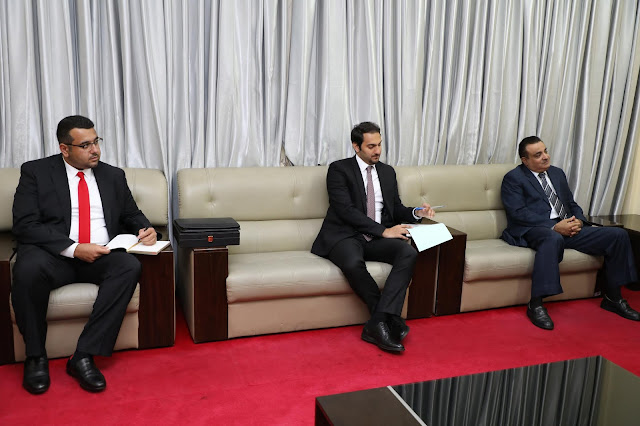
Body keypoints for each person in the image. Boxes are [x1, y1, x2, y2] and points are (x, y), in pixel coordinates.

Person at [12, 115, 158, 394]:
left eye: (96, 142)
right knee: (27, 269)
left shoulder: (113, 175)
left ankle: (83, 355)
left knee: (128, 266)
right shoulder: (36, 172)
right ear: (64, 149)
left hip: (101, 254)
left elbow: (131, 213)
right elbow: (25, 224)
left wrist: (145, 229)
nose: (95, 150)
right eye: (86, 145)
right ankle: (35, 356)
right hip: (55, 256)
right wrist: (74, 248)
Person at [311, 121, 435, 352]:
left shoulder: (387, 172)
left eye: (379, 145)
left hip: (375, 238)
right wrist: (384, 231)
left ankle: (377, 322)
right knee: (352, 262)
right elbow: (345, 210)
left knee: (407, 252)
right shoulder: (339, 170)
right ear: (356, 146)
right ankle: (388, 320)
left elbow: (396, 208)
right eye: (371, 146)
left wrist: (416, 213)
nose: (377, 151)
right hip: (345, 235)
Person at [501, 136, 639, 330]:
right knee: (552, 237)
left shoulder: (557, 173)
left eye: (545, 151)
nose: (545, 157)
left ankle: (613, 298)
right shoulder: (514, 178)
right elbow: (518, 213)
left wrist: (579, 221)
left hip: (567, 226)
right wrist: (554, 227)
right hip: (535, 229)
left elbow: (571, 204)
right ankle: (536, 304)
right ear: (525, 160)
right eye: (538, 155)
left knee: (618, 235)